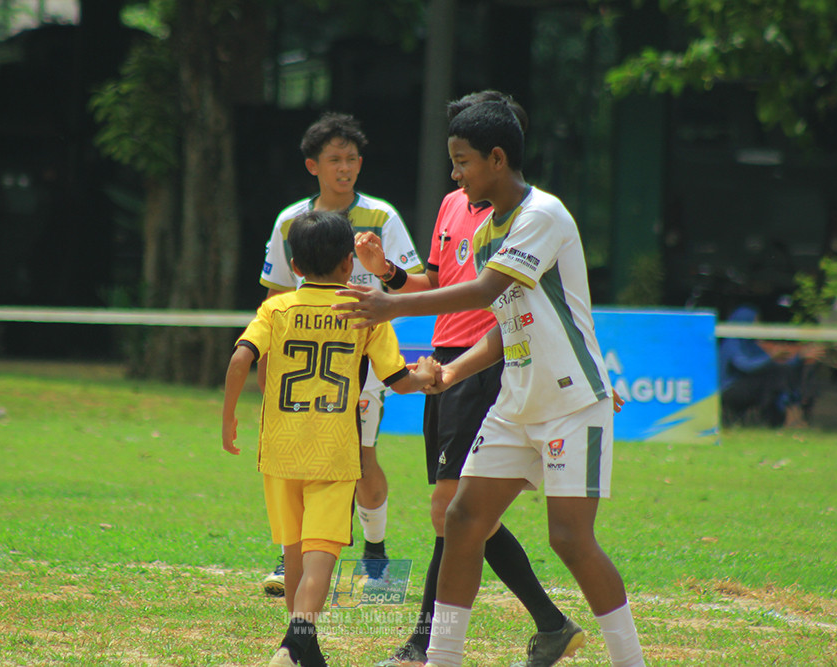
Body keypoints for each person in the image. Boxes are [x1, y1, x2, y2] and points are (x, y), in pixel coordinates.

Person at [333, 98, 646, 667]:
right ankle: (441, 658)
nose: (455, 175)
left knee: (569, 539)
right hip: (515, 402)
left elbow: (482, 293)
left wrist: (389, 305)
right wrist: (454, 370)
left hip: (569, 404)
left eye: (462, 162)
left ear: (497, 159)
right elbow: (505, 323)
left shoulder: (542, 215)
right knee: (461, 518)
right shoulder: (486, 233)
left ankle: (630, 661)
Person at [223, 210, 438, 667]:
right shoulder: (366, 310)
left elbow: (241, 359)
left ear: (295, 266)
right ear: (348, 264)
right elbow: (399, 381)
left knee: (294, 553)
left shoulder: (276, 309)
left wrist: (228, 421)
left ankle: (306, 651)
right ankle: (295, 642)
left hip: (279, 449)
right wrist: (427, 375)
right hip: (335, 450)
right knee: (321, 555)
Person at [258, 111, 423, 594]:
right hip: (304, 366)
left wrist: (383, 270)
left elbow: (416, 284)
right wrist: (269, 371)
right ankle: (291, 555)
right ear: (313, 166)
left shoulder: (382, 217)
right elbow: (275, 298)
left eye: (351, 158)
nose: (344, 168)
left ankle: (375, 554)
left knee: (362, 459)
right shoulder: (290, 221)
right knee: (296, 458)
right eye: (334, 159)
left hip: (361, 363)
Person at [719, 304, 823, 428]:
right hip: (728, 390)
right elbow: (746, 366)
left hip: (748, 385)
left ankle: (783, 417)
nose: (757, 327)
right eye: (754, 323)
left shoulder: (752, 344)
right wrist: (771, 357)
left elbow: (773, 364)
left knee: (779, 373)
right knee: (772, 378)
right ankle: (786, 416)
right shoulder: (731, 343)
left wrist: (799, 357)